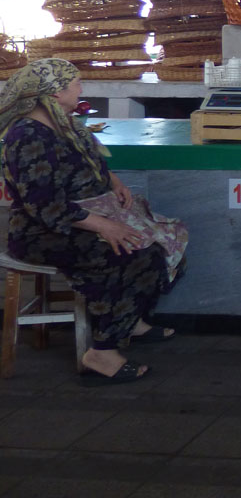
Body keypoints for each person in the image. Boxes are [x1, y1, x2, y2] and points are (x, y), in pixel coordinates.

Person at [1, 59, 187, 385]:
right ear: (55, 93)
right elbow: (43, 204)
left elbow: (85, 161)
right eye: (76, 84)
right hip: (41, 231)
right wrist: (105, 225)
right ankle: (103, 351)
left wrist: (112, 181)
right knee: (136, 254)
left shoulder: (63, 123)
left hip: (80, 216)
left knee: (168, 236)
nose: (81, 89)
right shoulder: (27, 137)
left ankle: (130, 320)